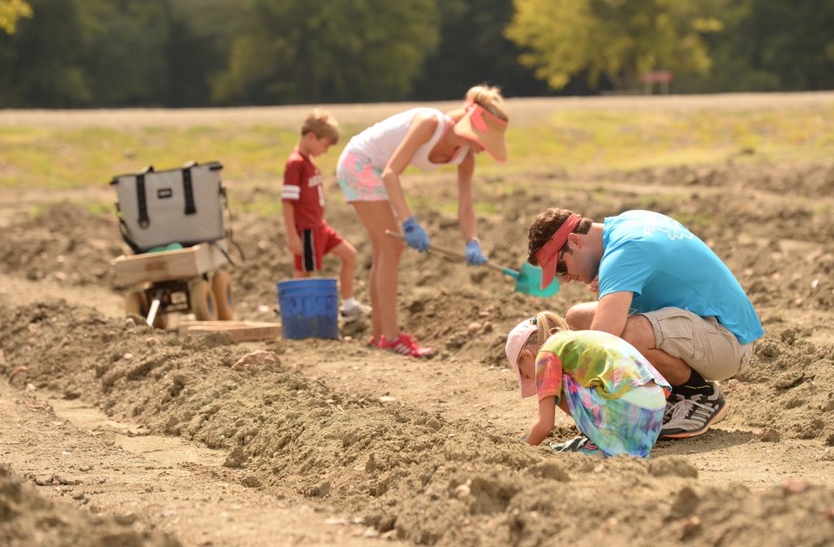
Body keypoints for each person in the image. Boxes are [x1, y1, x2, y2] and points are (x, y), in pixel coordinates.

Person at [526, 208, 764, 440]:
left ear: (575, 241)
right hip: (707, 323)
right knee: (578, 316)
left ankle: (698, 394)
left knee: (627, 335)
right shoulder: (628, 223)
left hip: (731, 340)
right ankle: (666, 393)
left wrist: (566, 384)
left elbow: (602, 340)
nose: (565, 278)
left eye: (561, 267)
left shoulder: (623, 253)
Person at [336, 84, 509, 357]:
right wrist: (408, 222)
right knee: (391, 247)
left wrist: (471, 241)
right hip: (359, 163)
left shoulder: (465, 156)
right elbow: (391, 173)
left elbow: (466, 203)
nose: (483, 149)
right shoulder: (429, 123)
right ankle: (391, 338)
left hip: (376, 171)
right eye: (482, 141)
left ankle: (379, 336)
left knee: (385, 249)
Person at [505, 311, 670, 458]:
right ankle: (610, 440)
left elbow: (545, 425)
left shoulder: (546, 354)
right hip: (653, 412)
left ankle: (602, 442)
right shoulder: (577, 338)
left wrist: (522, 451)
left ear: (526, 356)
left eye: (526, 375)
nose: (533, 380)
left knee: (555, 382)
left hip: (627, 407)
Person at [282, 109, 371, 322]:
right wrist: (292, 236)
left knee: (349, 255)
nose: (326, 151)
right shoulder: (295, 163)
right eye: (325, 145)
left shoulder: (309, 161)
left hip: (319, 226)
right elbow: (287, 201)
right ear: (311, 136)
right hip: (306, 229)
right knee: (303, 273)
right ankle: (298, 317)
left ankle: (348, 305)